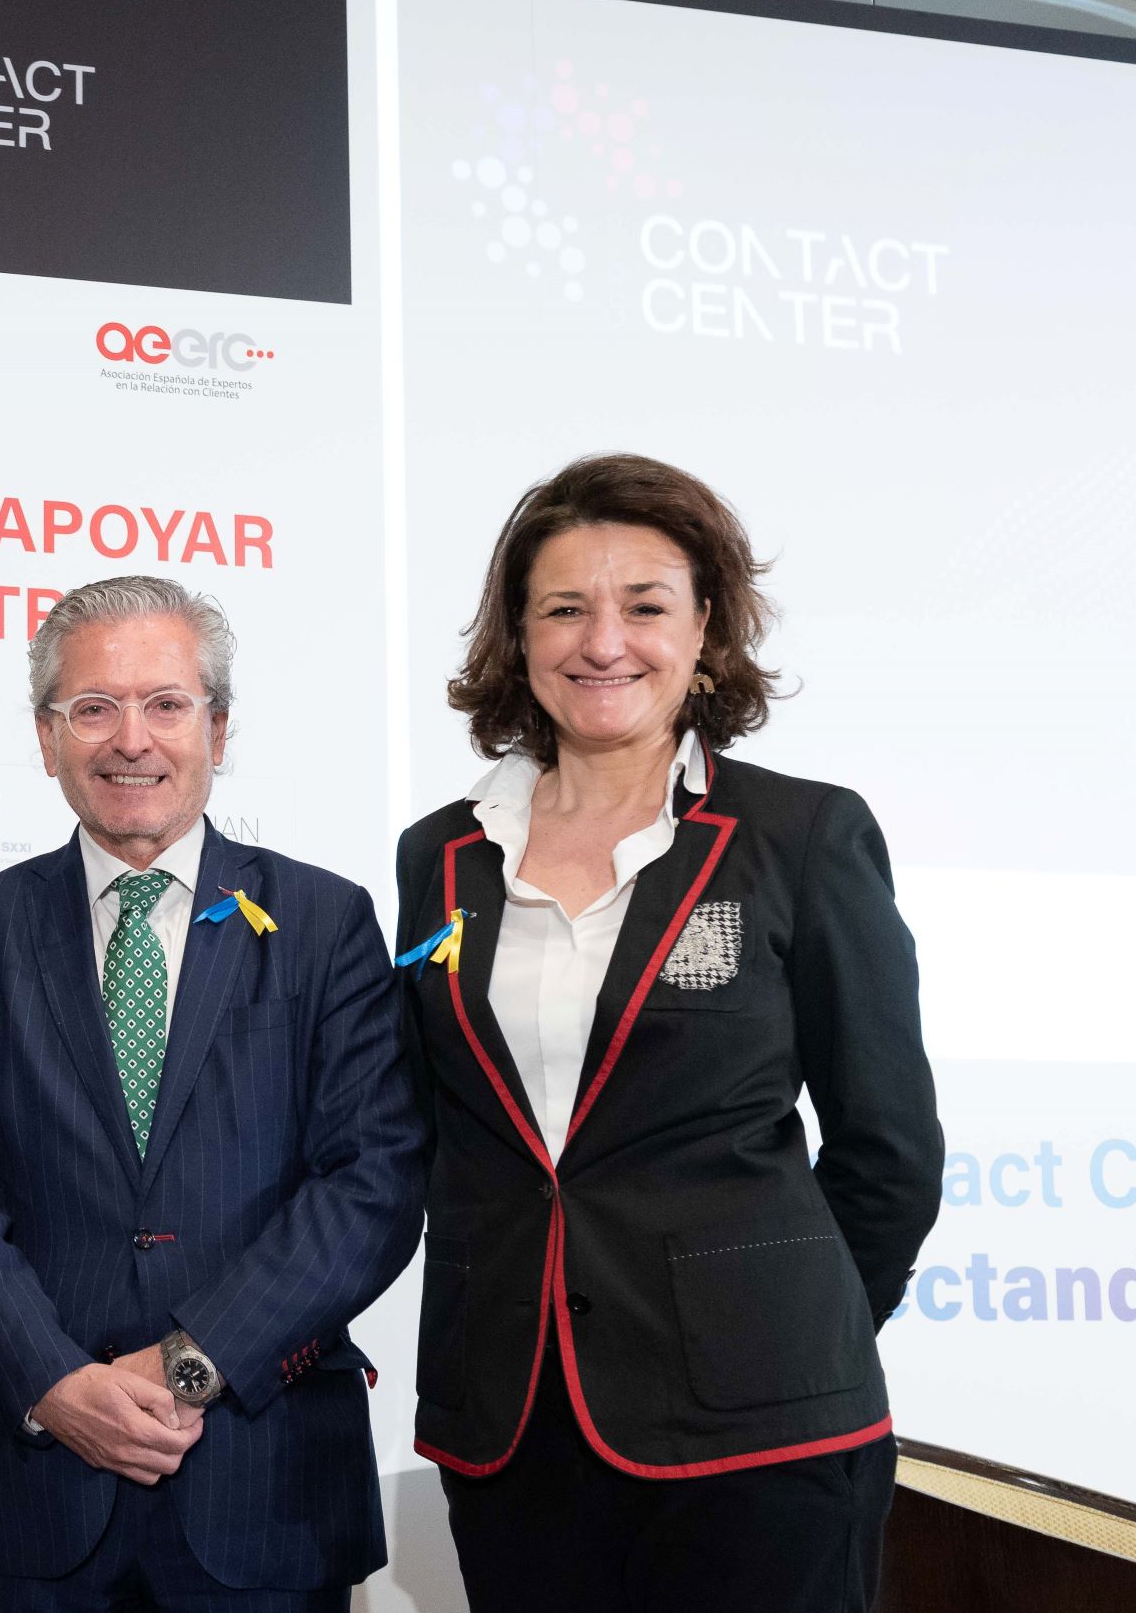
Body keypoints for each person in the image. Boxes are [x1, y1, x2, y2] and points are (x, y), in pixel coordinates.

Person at [396, 454, 944, 1613]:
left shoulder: (801, 834)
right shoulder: (438, 852)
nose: (604, 641)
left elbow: (887, 1143)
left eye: (644, 605)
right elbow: (438, 1124)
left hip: (759, 1436)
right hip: (512, 1418)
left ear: (704, 628)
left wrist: (788, 1329)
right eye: (563, 608)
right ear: (516, 636)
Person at [0, 575, 427, 1611]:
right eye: (92, 707)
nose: (129, 739)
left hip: (264, 1483)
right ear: (47, 738)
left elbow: (371, 1183)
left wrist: (189, 1363)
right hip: (37, 1482)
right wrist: (54, 1381)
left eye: (166, 704)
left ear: (217, 728)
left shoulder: (323, 920)